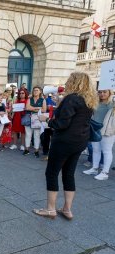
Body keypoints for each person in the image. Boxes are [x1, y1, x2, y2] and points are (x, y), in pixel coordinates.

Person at [33, 72, 98, 220]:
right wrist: (59, 104)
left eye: (69, 80)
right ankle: (67, 209)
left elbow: (62, 123)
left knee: (52, 173)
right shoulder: (88, 100)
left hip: (64, 141)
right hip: (80, 142)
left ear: (74, 82)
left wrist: (47, 119)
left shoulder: (71, 98)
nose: (67, 82)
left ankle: (50, 210)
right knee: (69, 174)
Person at [83, 89, 115, 180]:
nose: (102, 94)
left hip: (108, 131)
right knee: (95, 149)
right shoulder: (95, 102)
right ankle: (94, 168)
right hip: (95, 129)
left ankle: (105, 172)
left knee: (106, 151)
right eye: (100, 92)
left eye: (104, 92)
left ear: (109, 92)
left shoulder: (112, 103)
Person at [23, 86, 46, 157]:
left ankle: (36, 151)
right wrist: (37, 108)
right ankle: (26, 149)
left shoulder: (43, 100)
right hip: (29, 119)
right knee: (28, 135)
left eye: (37, 90)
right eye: (34, 90)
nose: (35, 91)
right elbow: (27, 107)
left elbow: (44, 110)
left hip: (38, 119)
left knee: (37, 135)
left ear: (40, 92)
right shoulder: (30, 99)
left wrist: (32, 108)